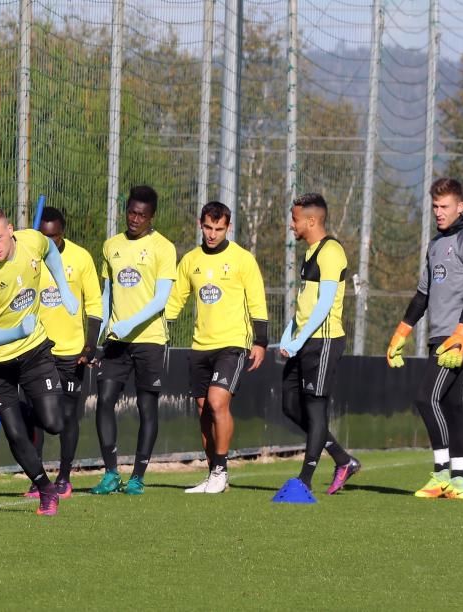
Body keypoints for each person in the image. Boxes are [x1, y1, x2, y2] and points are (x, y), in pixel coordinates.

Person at [0, 206, 79, 516]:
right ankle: (45, 489)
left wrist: (64, 290)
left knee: (53, 423)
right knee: (14, 431)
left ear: (11, 229)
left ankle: (29, 408)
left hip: (33, 351)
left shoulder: (32, 241)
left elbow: (51, 250)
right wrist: (16, 330)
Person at [385, 178, 463, 500]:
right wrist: (401, 331)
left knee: (425, 397)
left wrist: (462, 333)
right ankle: (460, 480)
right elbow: (422, 295)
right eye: (435, 207)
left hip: (457, 336)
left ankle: (441, 472)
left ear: (460, 206)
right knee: (451, 405)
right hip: (437, 334)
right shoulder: (435, 244)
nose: (439, 212)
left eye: (445, 207)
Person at [165, 202, 268, 494]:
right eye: (208, 228)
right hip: (200, 346)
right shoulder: (190, 260)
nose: (212, 234)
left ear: (228, 227)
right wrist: (158, 329)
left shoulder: (242, 259)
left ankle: (221, 469)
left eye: (219, 228)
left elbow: (257, 302)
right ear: (200, 224)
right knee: (203, 410)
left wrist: (260, 341)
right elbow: (175, 302)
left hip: (233, 344)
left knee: (217, 401)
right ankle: (212, 475)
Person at [92, 186, 176, 496]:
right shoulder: (111, 245)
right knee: (104, 400)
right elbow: (107, 293)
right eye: (131, 212)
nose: (135, 219)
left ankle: (138, 476)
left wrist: (129, 324)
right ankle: (111, 473)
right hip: (116, 340)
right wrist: (99, 329)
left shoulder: (164, 247)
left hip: (149, 340)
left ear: (152, 216)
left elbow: (161, 299)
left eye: (142, 214)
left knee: (146, 407)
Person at [278, 193, 360, 494]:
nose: (291, 225)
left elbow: (324, 304)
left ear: (311, 221)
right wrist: (289, 336)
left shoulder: (331, 252)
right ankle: (342, 458)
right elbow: (305, 304)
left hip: (324, 342)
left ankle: (304, 480)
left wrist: (299, 341)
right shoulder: (310, 252)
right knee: (289, 405)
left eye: (295, 219)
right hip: (304, 341)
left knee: (315, 409)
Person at [24, 207, 102, 499]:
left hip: (71, 353)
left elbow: (94, 304)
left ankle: (65, 477)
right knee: (35, 417)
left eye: (54, 236)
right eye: (44, 237)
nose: (49, 242)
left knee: (68, 416)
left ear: (63, 232)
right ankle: (37, 478)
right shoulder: (28, 258)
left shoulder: (81, 258)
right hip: (35, 350)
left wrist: (90, 345)